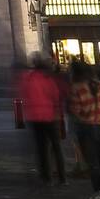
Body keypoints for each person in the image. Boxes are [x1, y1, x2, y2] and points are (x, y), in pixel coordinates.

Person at [17, 53, 67, 185]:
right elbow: (56, 96)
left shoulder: (28, 78)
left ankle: (46, 178)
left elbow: (23, 95)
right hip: (50, 116)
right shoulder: (48, 78)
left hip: (35, 118)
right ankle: (62, 178)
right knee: (56, 148)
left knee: (42, 149)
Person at [67, 60, 100, 197]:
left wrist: (80, 113)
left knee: (93, 165)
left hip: (86, 129)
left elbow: (76, 110)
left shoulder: (76, 87)